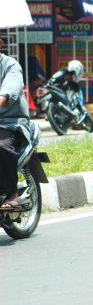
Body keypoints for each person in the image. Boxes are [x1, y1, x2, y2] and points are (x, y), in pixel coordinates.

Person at [0, 37, 30, 211]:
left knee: (1, 146)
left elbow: (10, 88)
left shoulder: (11, 66)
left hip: (9, 123)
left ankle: (12, 192)